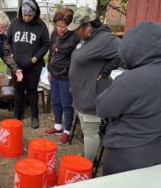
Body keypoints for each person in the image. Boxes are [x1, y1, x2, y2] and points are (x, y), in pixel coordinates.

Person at [95, 21, 161, 175]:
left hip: (126, 154)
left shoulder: (130, 79)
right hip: (160, 150)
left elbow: (103, 108)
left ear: (135, 49)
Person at [68, 7, 120, 162]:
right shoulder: (89, 39)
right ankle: (87, 157)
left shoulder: (104, 39)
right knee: (86, 128)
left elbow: (123, 52)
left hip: (92, 94)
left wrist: (105, 72)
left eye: (78, 29)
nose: (76, 32)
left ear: (88, 26)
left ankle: (87, 166)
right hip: (82, 93)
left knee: (90, 131)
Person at [7, 0, 50, 129]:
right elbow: (7, 41)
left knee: (32, 91)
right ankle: (17, 115)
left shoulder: (41, 26)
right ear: (21, 13)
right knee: (18, 90)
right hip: (17, 66)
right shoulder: (14, 23)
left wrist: (36, 58)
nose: (26, 18)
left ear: (35, 14)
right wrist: (12, 53)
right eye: (24, 15)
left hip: (33, 66)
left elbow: (46, 44)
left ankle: (34, 117)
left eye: (29, 15)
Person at [44, 8, 80, 145]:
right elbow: (51, 52)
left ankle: (67, 131)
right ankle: (58, 126)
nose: (59, 28)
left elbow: (77, 59)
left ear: (70, 25)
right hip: (54, 73)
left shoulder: (75, 37)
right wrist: (49, 69)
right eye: (57, 25)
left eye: (63, 26)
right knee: (55, 101)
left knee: (67, 104)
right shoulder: (54, 34)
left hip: (66, 76)